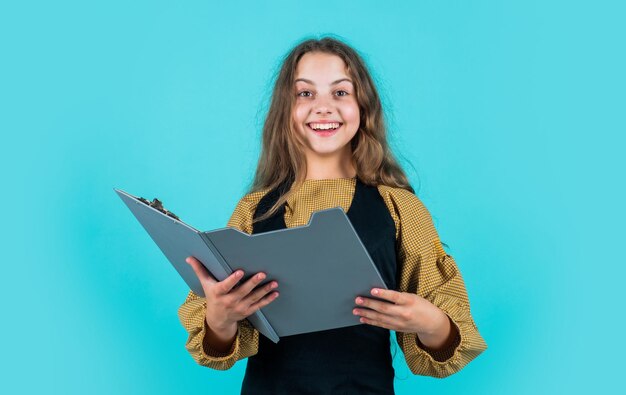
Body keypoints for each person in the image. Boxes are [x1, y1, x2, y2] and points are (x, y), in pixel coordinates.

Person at [178, 36, 488, 394]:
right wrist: (220, 318)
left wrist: (430, 322)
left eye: (340, 92)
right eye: (305, 94)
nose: (323, 107)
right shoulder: (253, 210)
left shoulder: (399, 207)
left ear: (364, 107)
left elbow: (452, 335)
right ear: (285, 110)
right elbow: (219, 343)